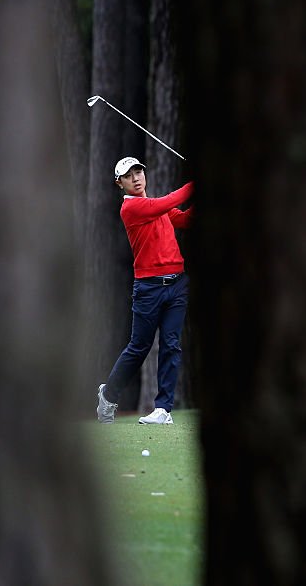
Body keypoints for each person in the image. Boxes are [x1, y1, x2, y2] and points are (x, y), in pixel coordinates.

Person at [96, 156, 194, 425]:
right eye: (129, 175)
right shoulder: (132, 209)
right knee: (139, 346)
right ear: (120, 183)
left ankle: (163, 409)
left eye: (139, 172)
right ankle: (108, 395)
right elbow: (169, 202)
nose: (136, 178)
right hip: (149, 288)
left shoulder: (156, 207)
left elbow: (184, 220)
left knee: (171, 345)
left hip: (176, 284)